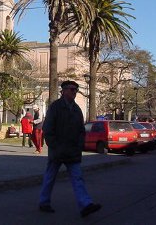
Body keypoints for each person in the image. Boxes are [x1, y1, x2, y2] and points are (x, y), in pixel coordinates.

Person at [39, 80, 102, 218]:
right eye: (72, 89)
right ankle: (44, 202)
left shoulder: (77, 109)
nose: (75, 92)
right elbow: (47, 129)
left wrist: (79, 144)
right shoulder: (55, 107)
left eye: (76, 90)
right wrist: (55, 145)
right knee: (50, 176)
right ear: (64, 91)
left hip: (73, 151)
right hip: (58, 150)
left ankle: (85, 204)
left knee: (78, 178)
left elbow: (81, 130)